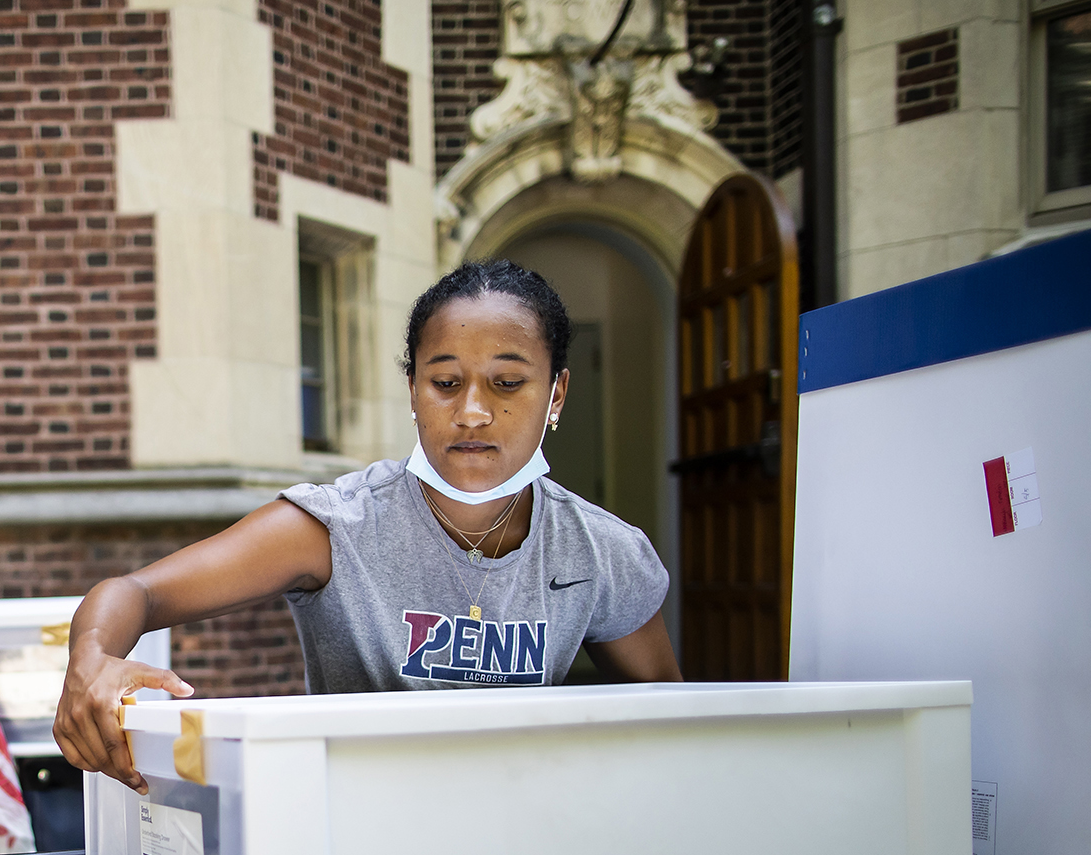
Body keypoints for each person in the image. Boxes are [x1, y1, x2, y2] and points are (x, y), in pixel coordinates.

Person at [56, 259, 682, 792]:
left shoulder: (601, 552)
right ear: (412, 389)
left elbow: (672, 730)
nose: (472, 411)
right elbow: (136, 592)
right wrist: (91, 657)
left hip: (530, 851)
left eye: (508, 383)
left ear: (557, 394)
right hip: (356, 848)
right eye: (444, 382)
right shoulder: (338, 527)